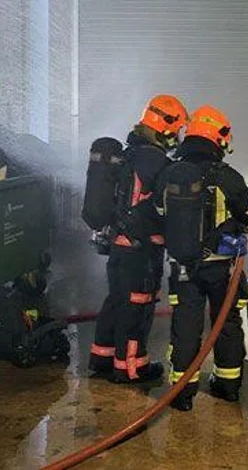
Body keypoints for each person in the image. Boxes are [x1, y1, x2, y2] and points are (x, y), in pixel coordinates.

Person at [158, 105, 248, 411]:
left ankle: (182, 393)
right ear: (218, 138)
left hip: (182, 267)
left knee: (186, 326)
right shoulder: (227, 176)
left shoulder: (168, 173)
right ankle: (228, 386)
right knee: (227, 323)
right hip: (221, 268)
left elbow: (157, 213)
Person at [87, 94, 189, 383]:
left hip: (119, 244)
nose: (178, 137)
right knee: (138, 306)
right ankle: (131, 368)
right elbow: (166, 208)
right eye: (178, 129)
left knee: (117, 301)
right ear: (165, 127)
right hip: (142, 249)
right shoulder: (155, 161)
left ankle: (102, 356)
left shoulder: (130, 153)